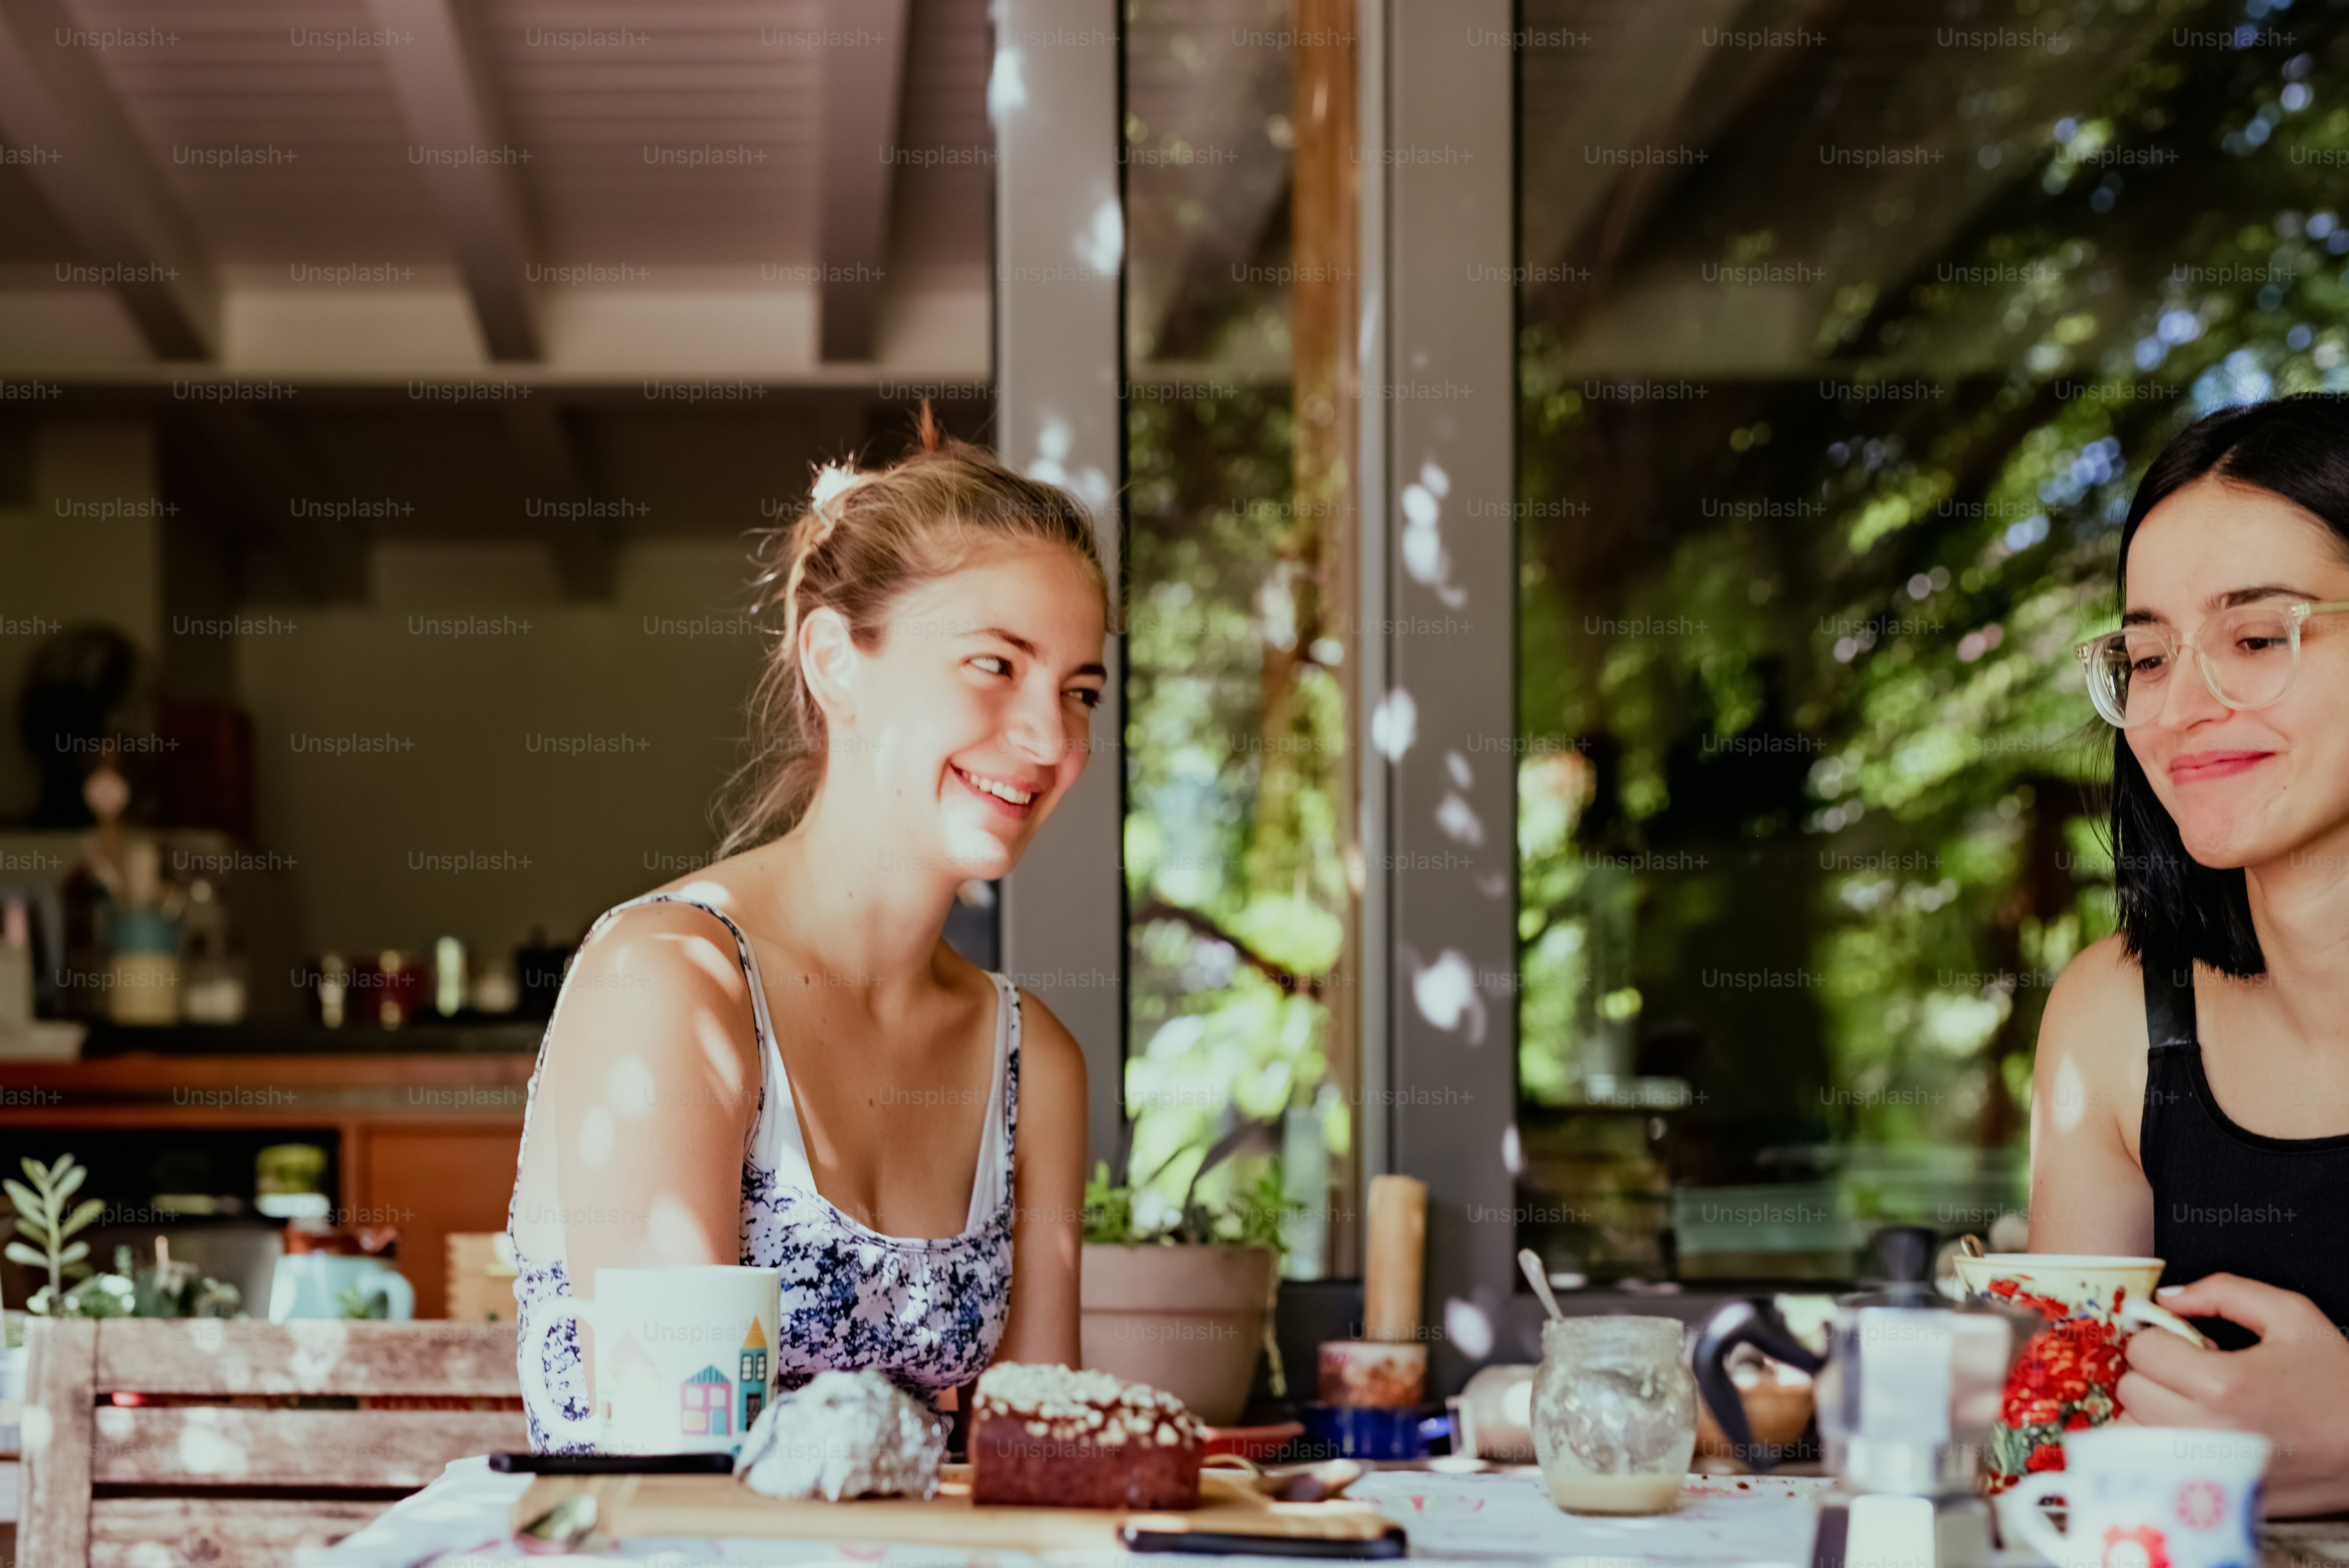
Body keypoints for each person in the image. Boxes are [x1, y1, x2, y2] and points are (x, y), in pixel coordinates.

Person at [505, 410, 1105, 1451]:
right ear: (836, 662)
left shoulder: (1031, 1061)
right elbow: (670, 1462)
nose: (1050, 737)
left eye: (1080, 690)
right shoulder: (674, 982)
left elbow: (1033, 1463)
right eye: (994, 665)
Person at [2030, 394, 2349, 1515]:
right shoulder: (2117, 1016)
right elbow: (2058, 1439)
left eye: (2257, 638)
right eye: (2150, 654)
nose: (2180, 706)